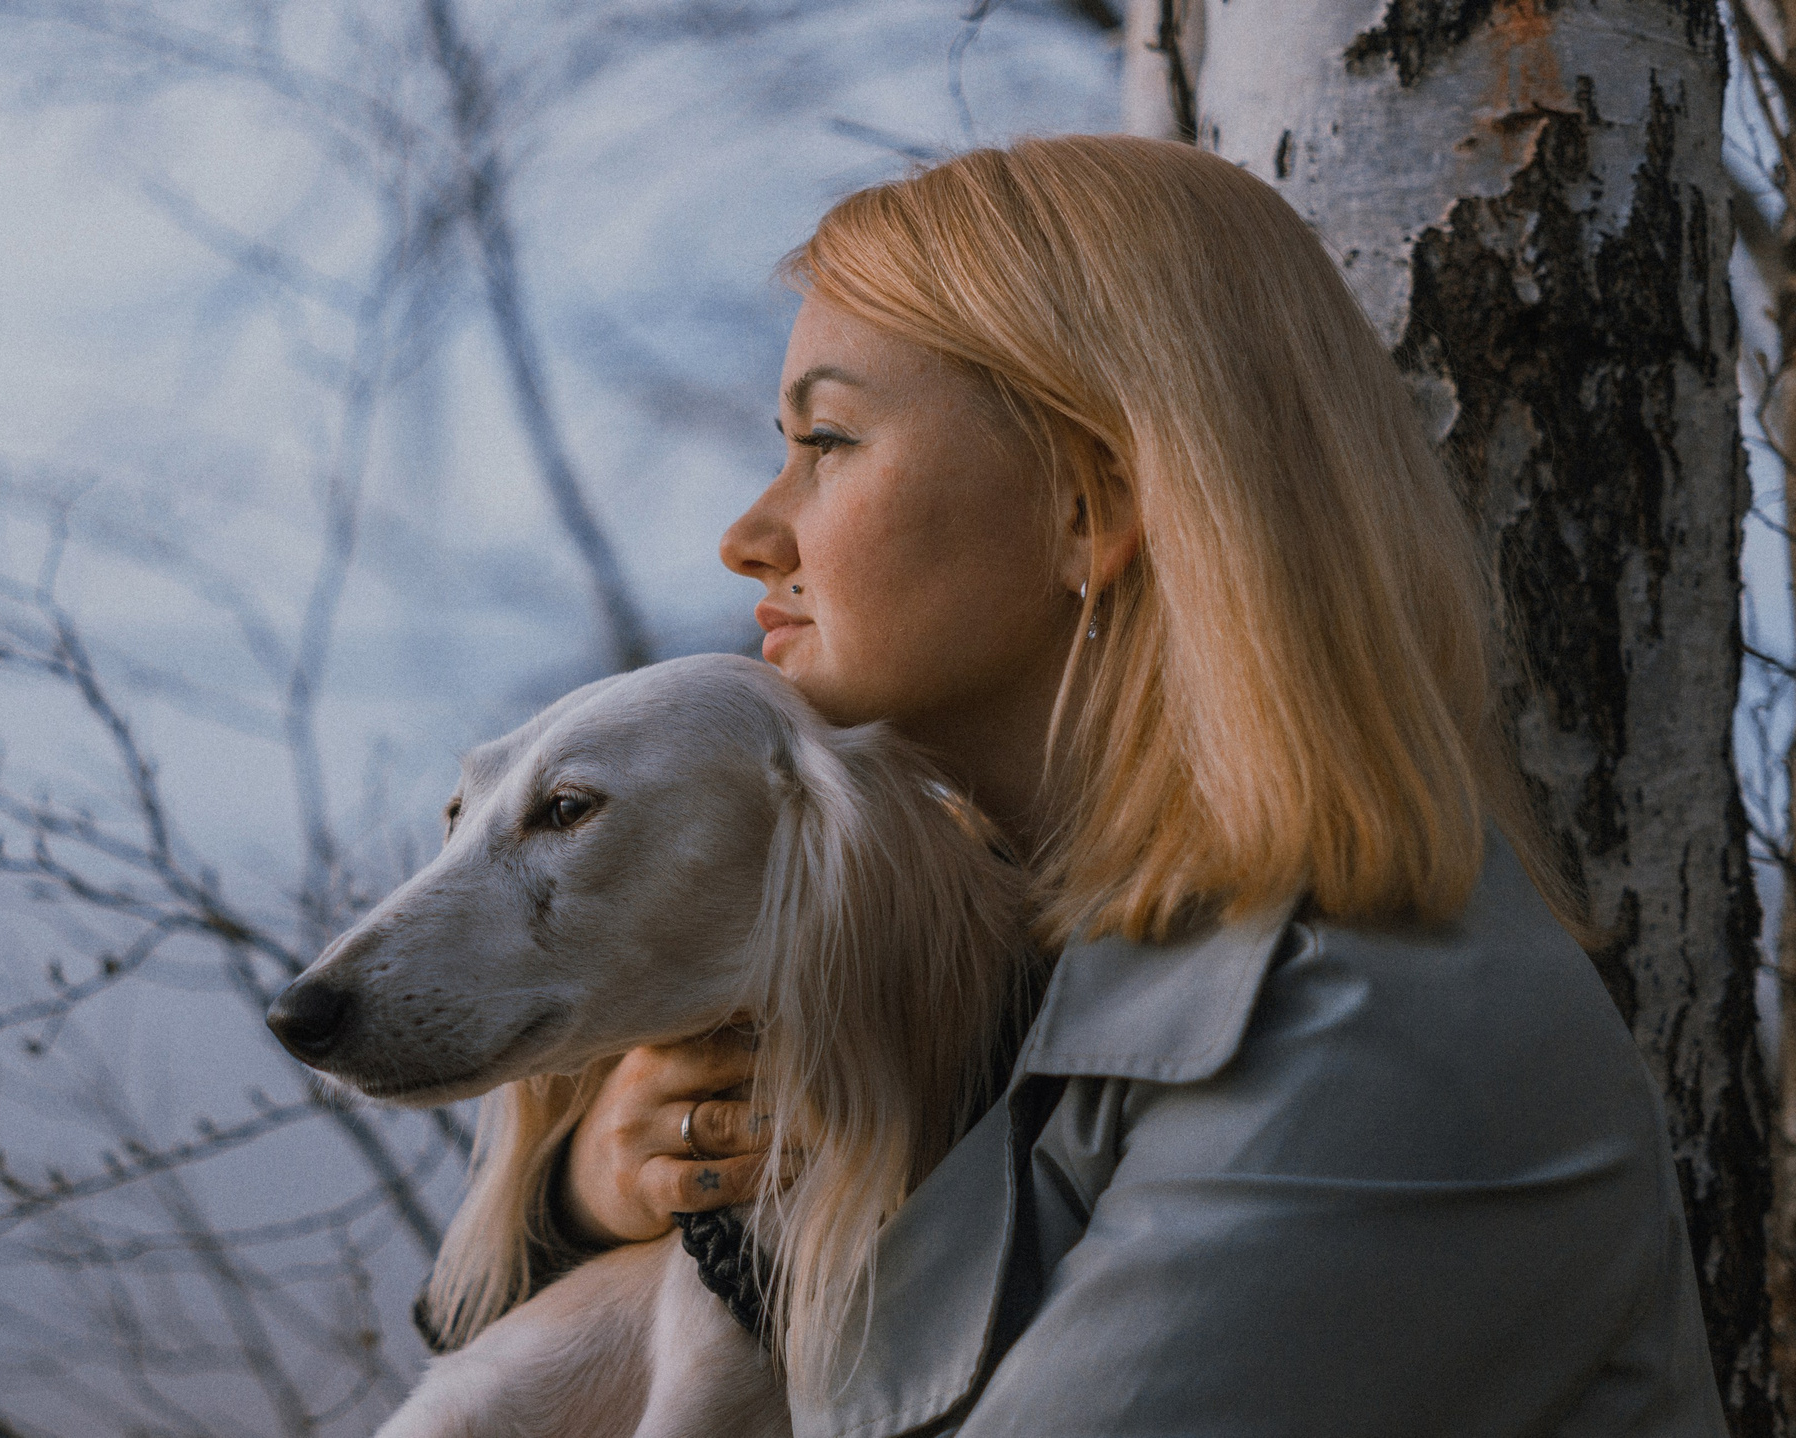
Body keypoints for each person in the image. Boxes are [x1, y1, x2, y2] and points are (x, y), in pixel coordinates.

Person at [546, 136, 1725, 1435]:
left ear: (1088, 507)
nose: (750, 533)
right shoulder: (1029, 980)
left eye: (827, 438)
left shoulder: (1378, 1031)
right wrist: (609, 1192)